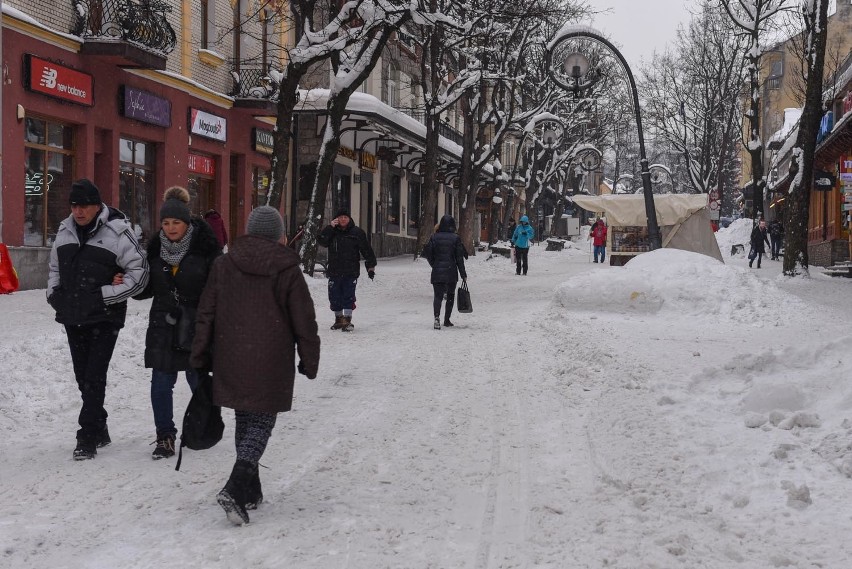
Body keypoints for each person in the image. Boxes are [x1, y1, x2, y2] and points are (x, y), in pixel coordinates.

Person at [190, 205, 321, 526]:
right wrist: (309, 358)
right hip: (271, 360)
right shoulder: (287, 269)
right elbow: (304, 321)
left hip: (230, 355)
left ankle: (251, 489)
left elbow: (206, 312)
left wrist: (199, 354)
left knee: (245, 419)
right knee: (261, 423)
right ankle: (235, 486)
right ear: (280, 235)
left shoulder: (224, 264)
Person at [47, 178, 149, 460]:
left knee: (94, 377)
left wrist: (107, 294)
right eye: (74, 206)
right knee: (83, 378)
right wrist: (54, 294)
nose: (78, 211)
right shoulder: (64, 230)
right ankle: (100, 424)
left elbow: (139, 274)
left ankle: (87, 436)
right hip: (73, 315)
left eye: (84, 206)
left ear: (97, 206)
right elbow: (54, 268)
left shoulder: (118, 232)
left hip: (104, 318)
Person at [135, 187, 221, 460]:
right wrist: (126, 282)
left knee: (198, 380)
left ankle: (205, 425)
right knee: (161, 383)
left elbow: (219, 288)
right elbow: (145, 290)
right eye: (166, 223)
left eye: (176, 223)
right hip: (163, 326)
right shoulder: (155, 252)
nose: (171, 228)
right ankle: (165, 436)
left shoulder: (205, 249)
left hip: (195, 325)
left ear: (187, 223)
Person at [317, 208, 377, 331]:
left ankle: (347, 320)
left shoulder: (357, 233)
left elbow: (366, 250)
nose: (343, 219)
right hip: (334, 270)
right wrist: (329, 228)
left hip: (351, 271)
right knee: (334, 296)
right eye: (340, 217)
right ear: (336, 219)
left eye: (345, 217)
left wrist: (370, 267)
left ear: (349, 219)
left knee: (348, 296)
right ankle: (338, 319)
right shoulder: (332, 231)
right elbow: (322, 241)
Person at [423, 214, 468, 330]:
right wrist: (463, 274)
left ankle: (436, 317)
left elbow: (428, 253)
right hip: (451, 271)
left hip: (437, 271)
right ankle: (447, 320)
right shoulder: (456, 238)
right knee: (450, 296)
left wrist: (434, 264)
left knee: (437, 296)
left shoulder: (434, 237)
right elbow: (459, 258)